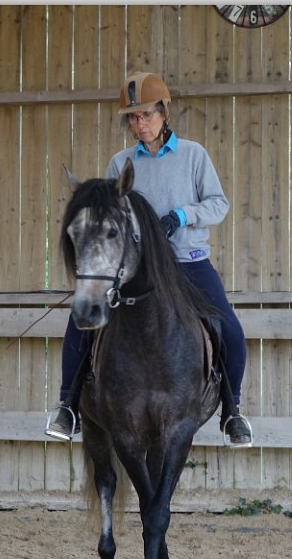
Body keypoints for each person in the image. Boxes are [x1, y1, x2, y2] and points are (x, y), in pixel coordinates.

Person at [46, 71, 252, 446]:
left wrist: (182, 216)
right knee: (83, 322)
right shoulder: (119, 163)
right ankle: (68, 406)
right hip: (136, 268)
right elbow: (108, 217)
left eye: (147, 115)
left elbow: (218, 204)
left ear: (164, 112)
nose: (140, 124)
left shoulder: (193, 155)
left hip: (187, 261)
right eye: (133, 117)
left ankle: (232, 411)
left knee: (230, 330)